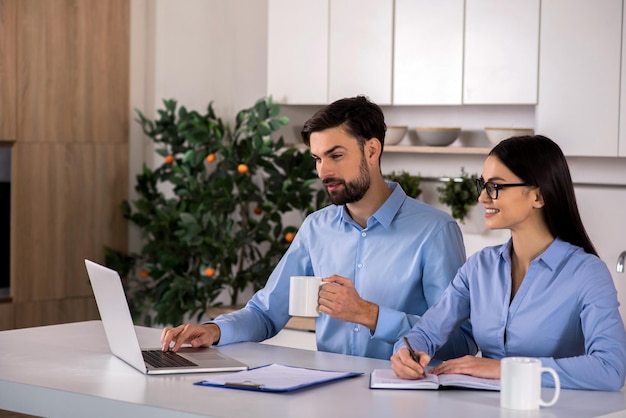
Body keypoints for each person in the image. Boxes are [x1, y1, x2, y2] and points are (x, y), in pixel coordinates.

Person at [160, 95, 477, 360]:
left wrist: (370, 315)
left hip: (403, 398)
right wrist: (213, 330)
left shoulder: (434, 231)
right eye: (317, 159)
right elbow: (266, 312)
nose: (324, 171)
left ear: (372, 150)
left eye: (336, 155)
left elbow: (460, 342)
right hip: (326, 394)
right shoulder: (316, 228)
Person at [391, 135, 626, 390]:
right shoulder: (479, 267)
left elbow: (610, 369)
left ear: (538, 196)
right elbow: (426, 332)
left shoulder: (587, 273)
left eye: (495, 187)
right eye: (482, 185)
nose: (482, 197)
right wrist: (406, 351)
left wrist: (505, 369)